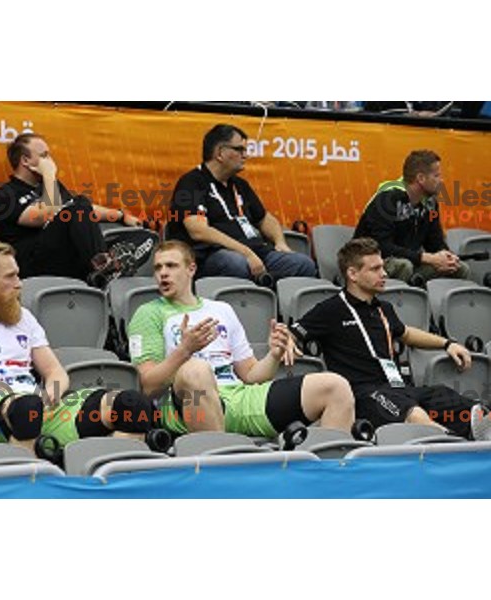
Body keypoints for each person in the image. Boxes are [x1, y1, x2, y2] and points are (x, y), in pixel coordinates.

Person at [0, 241, 167, 453]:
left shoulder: (23, 317)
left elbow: (55, 372)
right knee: (26, 411)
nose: (19, 284)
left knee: (133, 407)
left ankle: (105, 490)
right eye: (10, 277)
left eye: (18, 276)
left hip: (39, 406)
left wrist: (54, 392)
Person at [127, 240, 355, 440]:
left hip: (237, 397)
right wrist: (185, 350)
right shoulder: (147, 314)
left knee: (336, 386)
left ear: (191, 269)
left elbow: (251, 374)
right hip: (187, 405)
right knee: (196, 370)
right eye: (157, 268)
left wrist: (274, 355)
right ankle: (217, 474)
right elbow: (147, 386)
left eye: (171, 266)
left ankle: (330, 477)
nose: (162, 273)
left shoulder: (221, 309)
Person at [289, 237, 490, 440]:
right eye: (375, 269)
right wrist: (288, 343)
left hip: (398, 388)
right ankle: (454, 446)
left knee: (450, 399)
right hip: (363, 396)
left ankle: (476, 433)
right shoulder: (330, 310)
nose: (384, 273)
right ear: (352, 274)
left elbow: (406, 334)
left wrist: (447, 343)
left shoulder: (383, 309)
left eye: (383, 267)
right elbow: (293, 333)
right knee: (415, 414)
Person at [167, 124, 316, 283]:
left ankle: (265, 288)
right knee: (236, 263)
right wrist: (246, 252)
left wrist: (280, 242)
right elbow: (198, 230)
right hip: (214, 256)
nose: (246, 155)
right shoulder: (191, 183)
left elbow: (265, 218)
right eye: (240, 150)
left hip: (255, 253)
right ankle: (261, 286)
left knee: (303, 264)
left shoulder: (240, 185)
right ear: (220, 153)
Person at [0, 133, 144, 284]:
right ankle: (104, 268)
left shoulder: (51, 187)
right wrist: (49, 174)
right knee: (78, 205)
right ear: (25, 160)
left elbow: (85, 211)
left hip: (66, 257)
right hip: (33, 264)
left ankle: (108, 267)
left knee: (141, 237)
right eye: (44, 156)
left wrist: (121, 216)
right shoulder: (6, 195)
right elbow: (46, 215)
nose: (50, 161)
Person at [354, 150, 470, 284]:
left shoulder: (431, 203)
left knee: (459, 269)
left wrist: (447, 257)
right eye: (437, 176)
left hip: (410, 261)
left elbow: (435, 241)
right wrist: (425, 258)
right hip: (369, 263)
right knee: (403, 267)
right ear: (421, 178)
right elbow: (383, 246)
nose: (441, 180)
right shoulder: (387, 199)